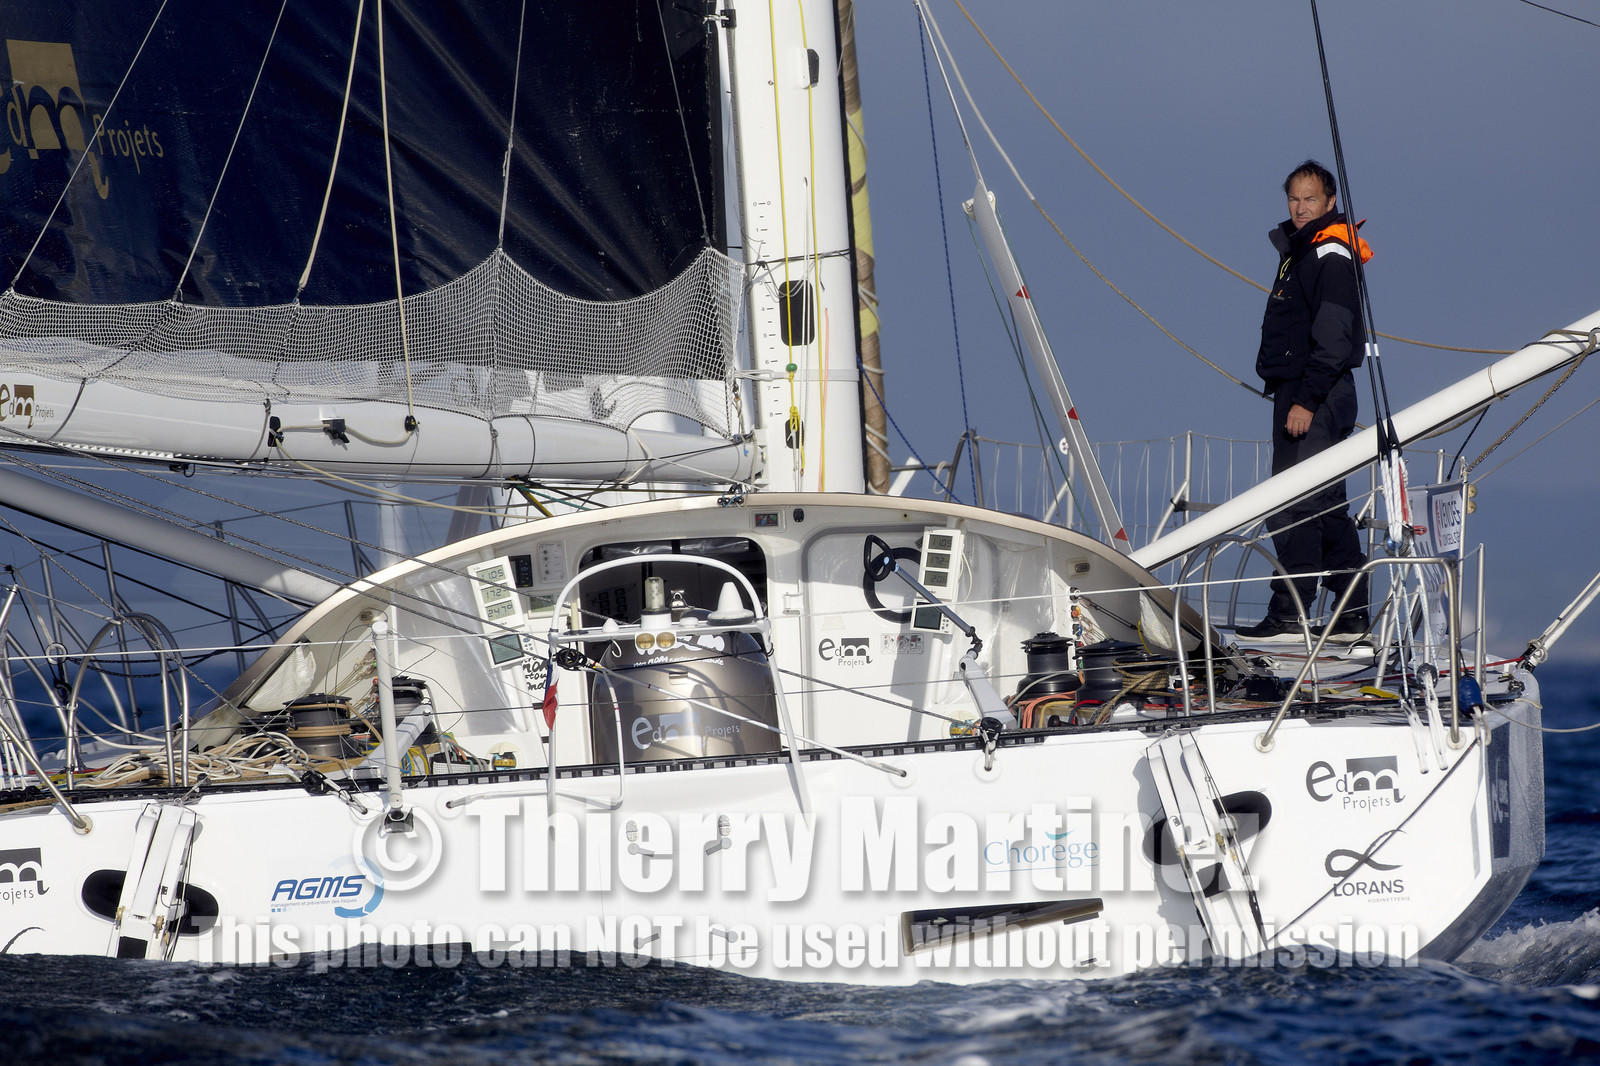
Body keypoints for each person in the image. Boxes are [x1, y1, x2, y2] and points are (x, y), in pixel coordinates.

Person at [1236, 160, 1371, 642]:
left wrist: (1307, 400)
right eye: (1293, 199)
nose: (1300, 208)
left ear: (1329, 202)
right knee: (1325, 501)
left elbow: (1334, 340)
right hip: (1305, 391)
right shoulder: (1302, 249)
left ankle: (1290, 611)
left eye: (1310, 199)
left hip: (1316, 393)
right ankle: (1353, 608)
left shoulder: (1328, 251)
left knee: (1293, 504)